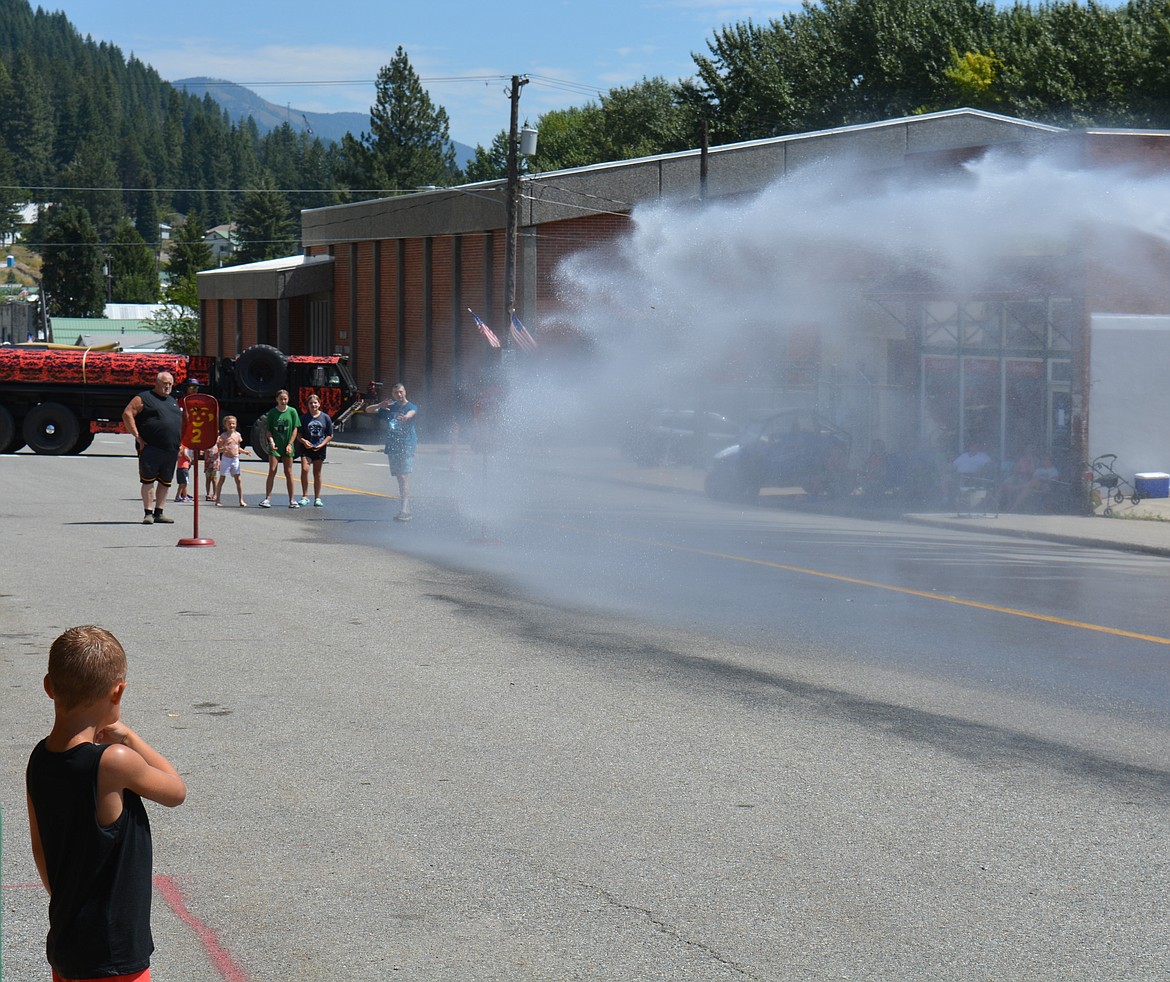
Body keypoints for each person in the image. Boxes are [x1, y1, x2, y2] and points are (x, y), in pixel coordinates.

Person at [25, 625, 187, 982]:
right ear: (119, 691)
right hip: (113, 953)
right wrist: (128, 736)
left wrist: (73, 901)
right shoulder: (113, 761)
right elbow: (175, 790)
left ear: (49, 686)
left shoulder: (38, 759)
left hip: (68, 943)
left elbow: (40, 849)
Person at [121, 372, 181, 525]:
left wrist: (182, 445)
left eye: (170, 383)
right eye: (164, 383)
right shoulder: (144, 398)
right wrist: (137, 436)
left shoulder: (173, 401)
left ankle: (159, 512)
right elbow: (127, 414)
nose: (167, 386)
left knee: (166, 481)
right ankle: (148, 513)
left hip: (171, 448)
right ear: (156, 383)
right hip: (150, 447)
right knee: (148, 480)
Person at [365, 382, 418, 521]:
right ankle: (405, 508)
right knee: (399, 477)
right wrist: (379, 405)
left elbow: (413, 412)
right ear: (393, 394)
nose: (399, 395)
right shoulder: (390, 407)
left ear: (405, 391)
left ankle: (405, 509)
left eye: (401, 392)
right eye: (396, 393)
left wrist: (406, 417)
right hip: (393, 446)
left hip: (406, 445)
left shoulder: (410, 406)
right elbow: (368, 410)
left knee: (403, 476)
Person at [259, 389, 301, 509]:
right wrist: (271, 442)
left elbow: (295, 429)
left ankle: (292, 499)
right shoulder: (272, 413)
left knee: (288, 472)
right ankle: (267, 498)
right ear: (277, 399)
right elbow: (269, 430)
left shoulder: (292, 411)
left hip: (287, 445)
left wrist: (290, 444)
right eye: (281, 399)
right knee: (272, 470)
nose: (283, 401)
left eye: (285, 399)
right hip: (275, 446)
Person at [297, 393, 333, 507]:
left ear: (319, 404)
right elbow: (298, 434)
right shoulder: (304, 418)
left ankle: (317, 498)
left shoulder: (325, 417)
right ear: (307, 405)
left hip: (319, 448)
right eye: (311, 403)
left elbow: (330, 434)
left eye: (315, 402)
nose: (313, 405)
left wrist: (322, 444)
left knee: (317, 473)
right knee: (305, 469)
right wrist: (304, 441)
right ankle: (305, 496)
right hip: (307, 448)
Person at [214, 415, 251, 507]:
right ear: (225, 425)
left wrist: (245, 452)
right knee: (222, 478)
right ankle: (217, 499)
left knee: (238, 479)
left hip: (235, 458)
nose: (232, 425)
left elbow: (238, 447)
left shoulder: (237, 435)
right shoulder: (223, 436)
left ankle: (241, 500)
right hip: (226, 459)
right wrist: (223, 449)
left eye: (233, 423)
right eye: (229, 424)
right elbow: (219, 449)